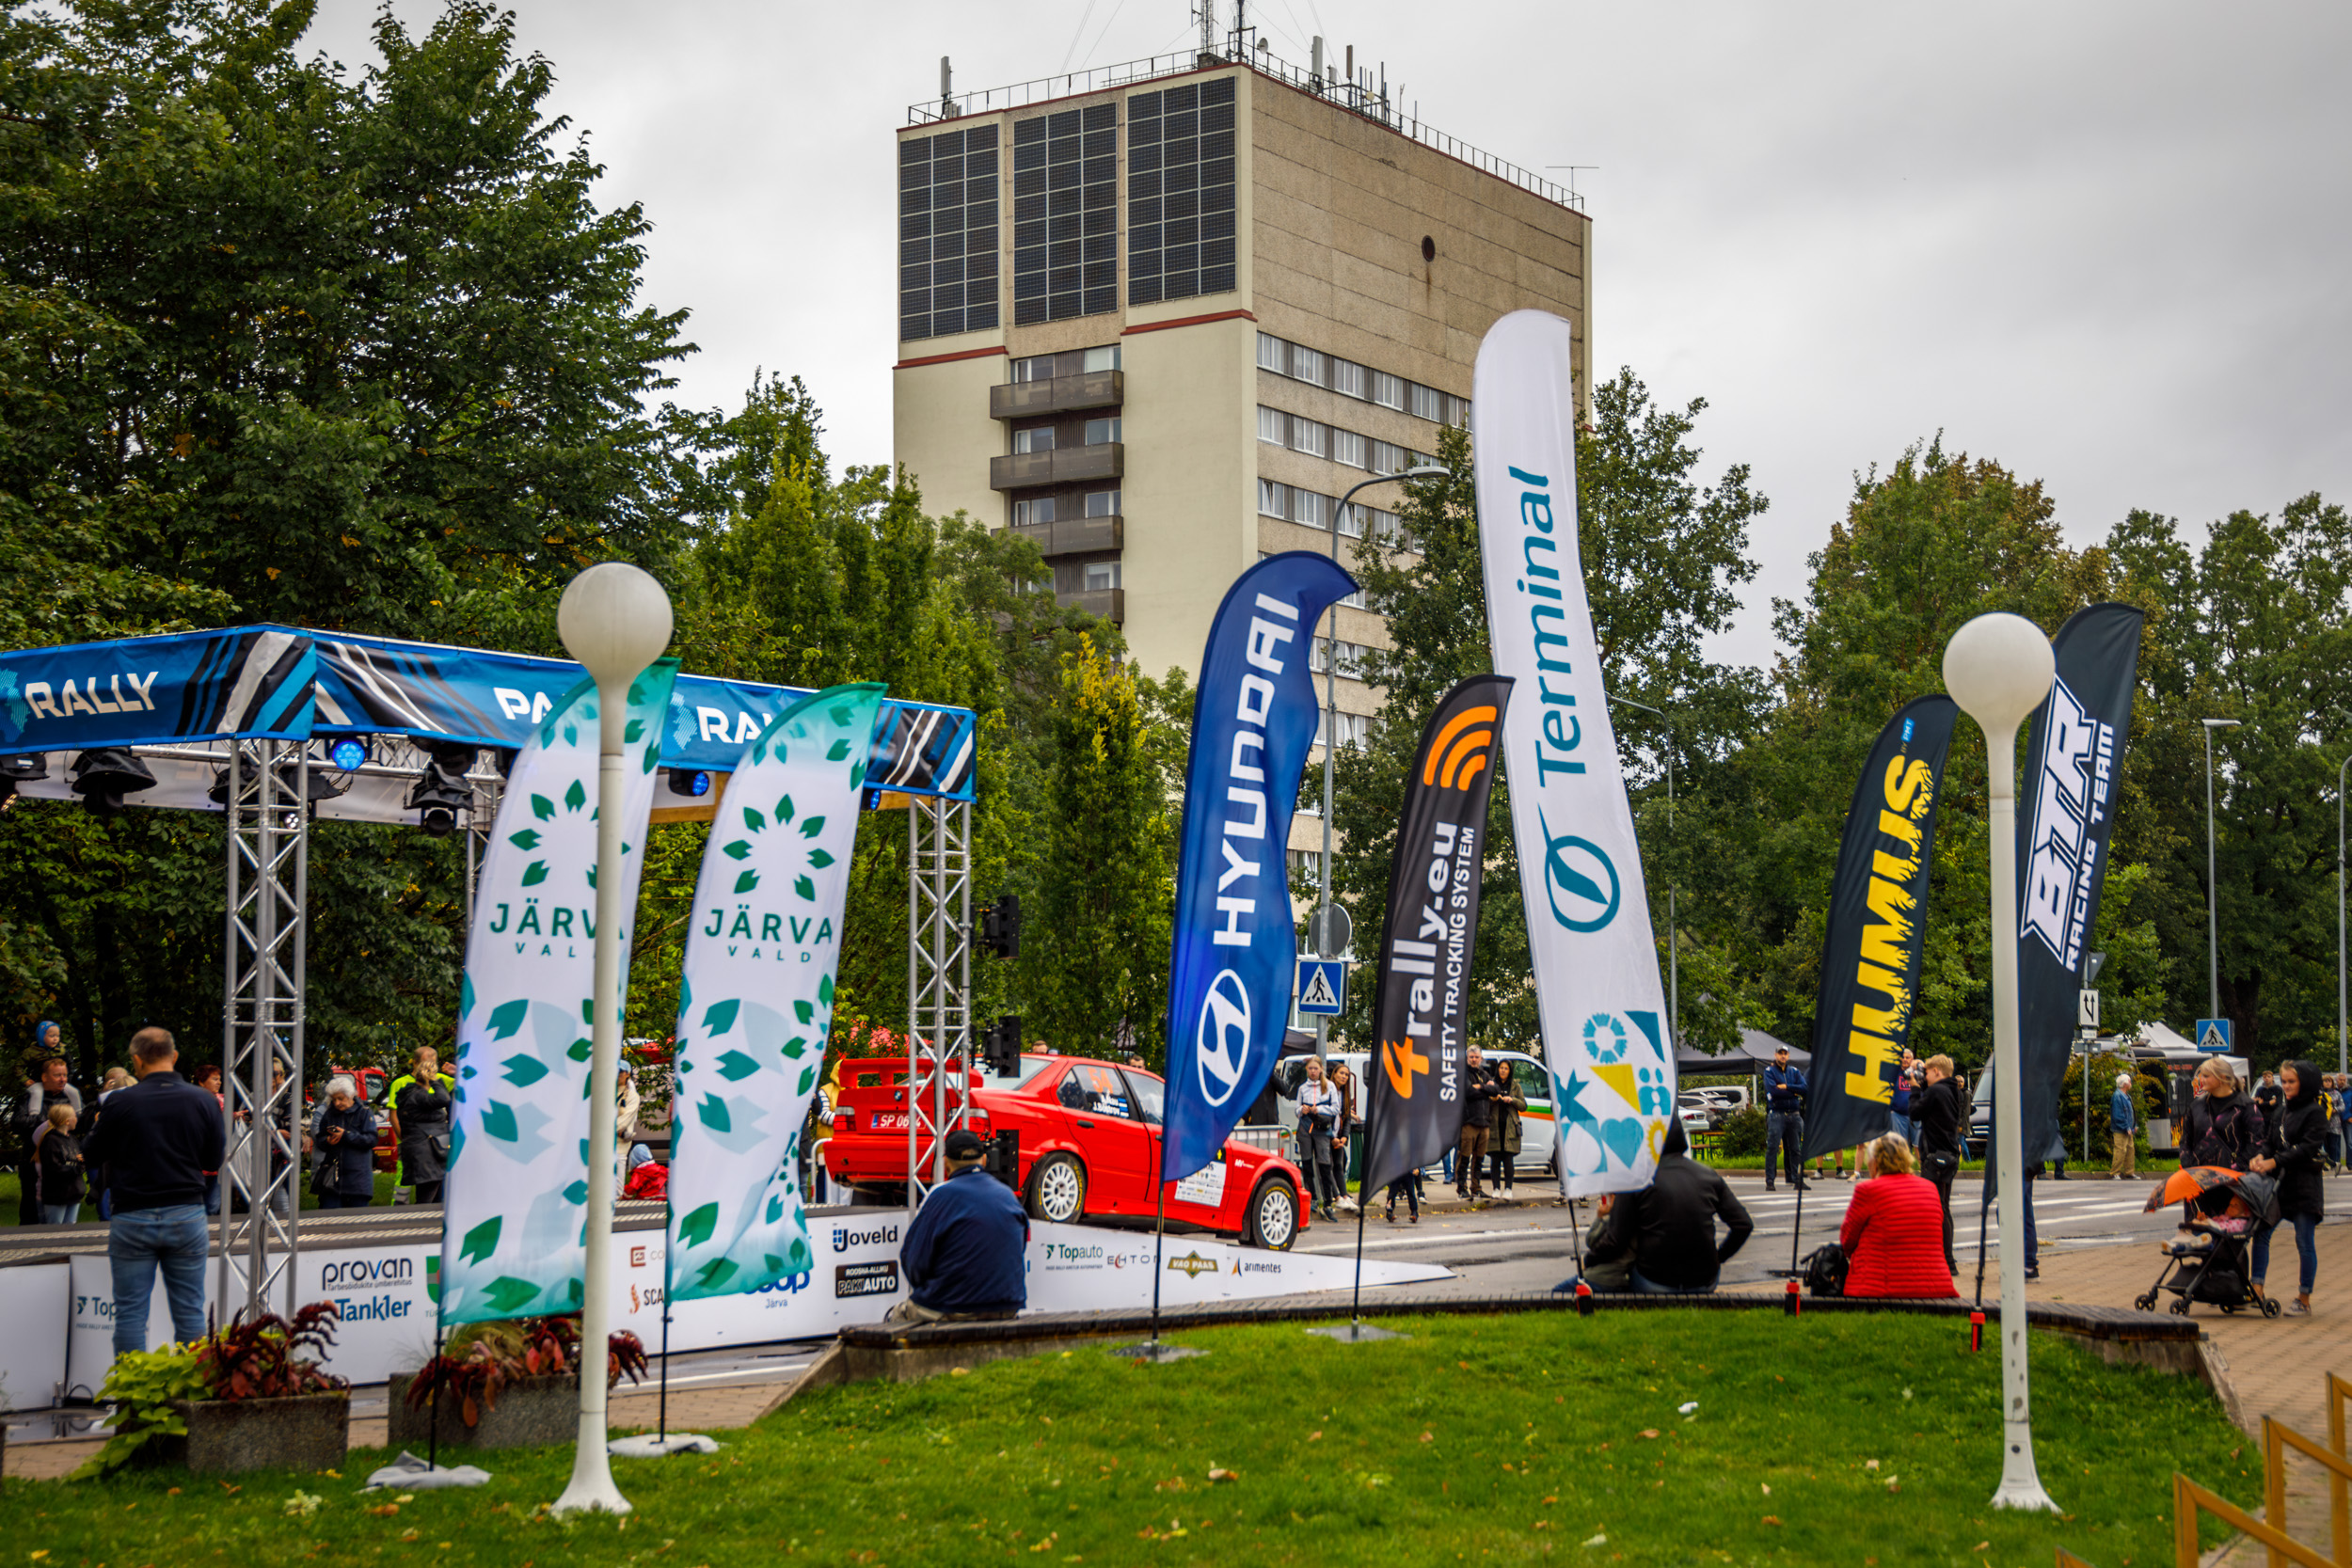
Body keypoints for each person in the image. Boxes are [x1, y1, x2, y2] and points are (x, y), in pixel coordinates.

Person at [78, 1027, 222, 1355]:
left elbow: (92, 1154)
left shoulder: (120, 1101)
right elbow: (214, 1160)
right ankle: (193, 1384)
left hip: (133, 1214)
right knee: (190, 1313)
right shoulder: (203, 1100)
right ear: (174, 1057)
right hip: (187, 1213)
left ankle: (133, 1387)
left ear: (136, 1060)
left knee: (130, 1314)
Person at [1569, 1119, 1751, 1293]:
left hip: (1654, 1279)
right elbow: (1743, 1225)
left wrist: (1589, 1259)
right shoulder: (1708, 1175)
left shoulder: (1638, 1179)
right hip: (1705, 1281)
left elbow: (1616, 1241)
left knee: (1564, 1291)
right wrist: (1718, 1259)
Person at [888, 1128, 1027, 1323]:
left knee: (896, 1318)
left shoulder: (940, 1196)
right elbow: (1018, 1248)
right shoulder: (1008, 1195)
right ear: (984, 1160)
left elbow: (914, 1262)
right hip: (1007, 1306)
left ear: (945, 1163)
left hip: (952, 1306)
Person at [1838, 1134, 1958, 1298]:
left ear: (1874, 1162)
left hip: (1878, 1287)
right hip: (1935, 1286)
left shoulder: (1868, 1191)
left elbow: (1847, 1242)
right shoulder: (1930, 1189)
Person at [2249, 1060, 2326, 1314]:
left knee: (2304, 1241)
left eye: (2292, 1081)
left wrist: (2274, 1161)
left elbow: (2307, 1148)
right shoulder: (2280, 1110)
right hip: (2278, 1187)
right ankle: (2256, 1289)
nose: (2287, 1086)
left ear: (2306, 1083)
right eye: (2284, 1081)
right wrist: (2261, 1156)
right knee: (2261, 1232)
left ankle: (2304, 1298)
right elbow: (2270, 1142)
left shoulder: (2315, 1112)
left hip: (2304, 1187)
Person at [13, 1043, 83, 1225]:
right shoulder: (30, 1097)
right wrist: (50, 1121)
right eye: (57, 1075)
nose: (62, 1079)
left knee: (63, 1212)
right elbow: (17, 1123)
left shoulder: (70, 1098)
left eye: (65, 1075)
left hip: (64, 1162)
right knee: (31, 1209)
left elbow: (81, 1124)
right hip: (34, 1161)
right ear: (44, 1077)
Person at [1914, 1054, 1964, 1273]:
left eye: (1927, 1072)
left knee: (1934, 1209)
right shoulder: (1954, 1091)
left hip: (1935, 1157)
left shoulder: (1936, 1092)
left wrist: (1914, 1088)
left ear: (1936, 1071)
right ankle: (1948, 1260)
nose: (1924, 1076)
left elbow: (1914, 1112)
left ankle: (1942, 1261)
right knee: (1944, 1207)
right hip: (1949, 1155)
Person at [389, 1046, 455, 1204]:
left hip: (435, 1145)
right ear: (415, 1063)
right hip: (415, 1142)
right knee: (412, 1184)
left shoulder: (440, 1079)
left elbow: (471, 1085)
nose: (430, 1069)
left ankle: (419, 1213)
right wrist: (405, 1137)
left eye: (433, 1064)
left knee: (433, 1190)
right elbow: (394, 1115)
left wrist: (456, 1072)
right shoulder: (403, 1084)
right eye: (426, 1063)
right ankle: (399, 1209)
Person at [2181, 1058, 2263, 1171]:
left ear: (2222, 1078)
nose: (2201, 1079)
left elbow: (2256, 1142)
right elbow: (2185, 1141)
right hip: (2200, 1175)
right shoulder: (2196, 1106)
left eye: (2206, 1076)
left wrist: (2238, 1167)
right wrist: (2189, 1166)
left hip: (2234, 1176)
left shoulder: (2245, 1106)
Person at [310, 1076, 378, 1209]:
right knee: (329, 1217)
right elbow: (320, 1140)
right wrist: (328, 1141)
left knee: (357, 1218)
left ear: (351, 1095)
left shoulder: (364, 1112)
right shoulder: (329, 1114)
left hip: (358, 1179)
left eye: (341, 1098)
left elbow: (371, 1140)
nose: (337, 1103)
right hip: (332, 1179)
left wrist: (346, 1135)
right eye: (334, 1099)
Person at [1294, 1056, 1342, 1221]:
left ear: (1321, 1069)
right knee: (1307, 1165)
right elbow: (1296, 1110)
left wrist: (1319, 1109)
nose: (1313, 1071)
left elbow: (1335, 1109)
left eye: (1315, 1068)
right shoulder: (1302, 1088)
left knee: (1325, 1166)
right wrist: (1302, 1110)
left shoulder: (1330, 1086)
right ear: (1306, 1070)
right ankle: (1312, 1199)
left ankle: (1328, 1203)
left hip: (1321, 1128)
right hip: (1305, 1128)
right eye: (1310, 1068)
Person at [1457, 1046, 1502, 1200]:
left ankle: (1476, 1188)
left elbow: (1496, 1090)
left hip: (1484, 1123)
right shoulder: (1463, 1074)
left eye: (1477, 1057)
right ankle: (1461, 1188)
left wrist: (1481, 1087)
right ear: (1467, 1058)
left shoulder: (1485, 1074)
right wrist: (1486, 1090)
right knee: (1464, 1157)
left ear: (1481, 1059)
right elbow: (1468, 1092)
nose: (1474, 1059)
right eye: (1471, 1057)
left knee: (1479, 1158)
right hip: (1469, 1122)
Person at [1761, 1045, 1808, 1193]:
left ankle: (1796, 1179)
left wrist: (1787, 1087)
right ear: (1775, 1055)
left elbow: (1805, 1088)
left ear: (1788, 1055)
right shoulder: (1769, 1071)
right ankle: (1770, 1180)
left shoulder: (1794, 1071)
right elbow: (1773, 1092)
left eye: (1785, 1053)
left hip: (1794, 1114)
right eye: (1780, 1053)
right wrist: (1794, 1092)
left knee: (1796, 1149)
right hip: (1777, 1114)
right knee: (1773, 1147)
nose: (1783, 1056)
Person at [35, 1102, 87, 1223]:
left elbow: (82, 1158)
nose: (77, 1119)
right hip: (57, 1195)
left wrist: (82, 1162)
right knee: (56, 1228)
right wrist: (77, 1167)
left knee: (70, 1228)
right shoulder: (50, 1141)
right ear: (67, 1121)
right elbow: (54, 1168)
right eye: (74, 1116)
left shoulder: (73, 1139)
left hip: (74, 1193)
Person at [1488, 1059, 1526, 1199]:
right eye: (1501, 1068)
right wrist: (1493, 1098)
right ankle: (1496, 1189)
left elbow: (1523, 1106)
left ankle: (1508, 1189)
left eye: (1506, 1068)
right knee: (1495, 1160)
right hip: (1495, 1126)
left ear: (1510, 1071)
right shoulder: (1492, 1084)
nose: (1503, 1070)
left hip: (1510, 1127)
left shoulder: (1515, 1086)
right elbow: (1485, 1102)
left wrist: (1512, 1100)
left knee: (1508, 1160)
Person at [1327, 1059, 1359, 1213]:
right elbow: (1324, 1116)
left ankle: (1345, 1196)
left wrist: (1344, 1136)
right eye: (1341, 1073)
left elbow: (1346, 1118)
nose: (1344, 1076)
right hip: (1326, 1135)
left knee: (1339, 1166)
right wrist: (1331, 1137)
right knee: (1328, 1166)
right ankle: (1337, 1197)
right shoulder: (1327, 1091)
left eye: (1346, 1074)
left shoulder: (1345, 1095)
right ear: (1334, 1074)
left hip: (1339, 1136)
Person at [2108, 1072, 2137, 1180]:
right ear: (2125, 1084)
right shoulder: (2117, 1096)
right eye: (2129, 1081)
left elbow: (2131, 1112)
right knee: (2120, 1151)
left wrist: (2134, 1125)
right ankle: (2115, 1173)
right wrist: (2126, 1127)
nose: (2131, 1083)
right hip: (2121, 1130)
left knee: (2130, 1151)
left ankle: (2129, 1172)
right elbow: (2118, 1115)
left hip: (2128, 1129)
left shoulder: (2127, 1096)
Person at [1889, 1051, 1917, 1148]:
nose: (1905, 1059)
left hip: (1916, 1114)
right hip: (1898, 1114)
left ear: (1912, 1059)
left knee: (1918, 1145)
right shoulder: (1895, 1073)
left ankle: (1920, 1159)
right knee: (1900, 1145)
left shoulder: (1917, 1073)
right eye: (1903, 1057)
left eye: (1907, 1057)